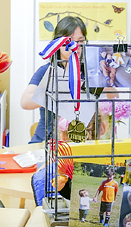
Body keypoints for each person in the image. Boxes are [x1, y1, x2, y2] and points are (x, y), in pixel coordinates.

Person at [21, 16, 87, 144]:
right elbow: (25, 102)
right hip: (45, 142)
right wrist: (60, 91)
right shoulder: (47, 71)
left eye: (80, 42)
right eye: (69, 41)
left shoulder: (90, 73)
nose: (75, 46)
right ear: (58, 43)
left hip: (78, 142)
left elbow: (113, 95)